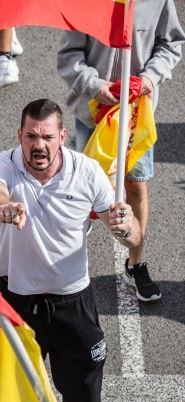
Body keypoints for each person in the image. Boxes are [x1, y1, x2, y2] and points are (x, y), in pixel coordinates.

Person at [0, 99, 141, 402]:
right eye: (31, 137)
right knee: (12, 398)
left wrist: (124, 225)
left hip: (73, 303)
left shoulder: (87, 172)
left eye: (47, 137)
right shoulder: (1, 164)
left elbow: (132, 235)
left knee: (83, 399)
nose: (39, 145)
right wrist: (3, 207)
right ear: (20, 136)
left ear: (62, 137)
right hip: (16, 301)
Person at [57, 0, 185, 301]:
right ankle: (68, 264)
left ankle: (135, 264)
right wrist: (96, 85)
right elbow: (68, 55)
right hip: (93, 112)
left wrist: (150, 78)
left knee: (136, 187)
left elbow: (171, 43)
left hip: (137, 115)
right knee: (85, 186)